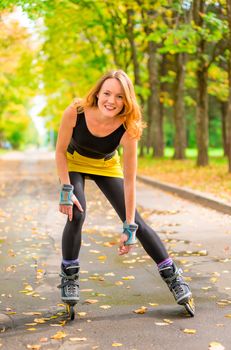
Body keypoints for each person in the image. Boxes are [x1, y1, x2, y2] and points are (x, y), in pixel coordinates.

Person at [55, 69, 194, 316]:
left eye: (119, 96)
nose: (112, 101)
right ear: (97, 93)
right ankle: (69, 276)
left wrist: (128, 226)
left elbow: (129, 181)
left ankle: (173, 276)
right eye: (107, 93)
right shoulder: (75, 112)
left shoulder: (128, 127)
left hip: (107, 166)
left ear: (127, 100)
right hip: (75, 162)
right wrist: (66, 190)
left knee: (137, 222)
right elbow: (60, 152)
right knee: (76, 213)